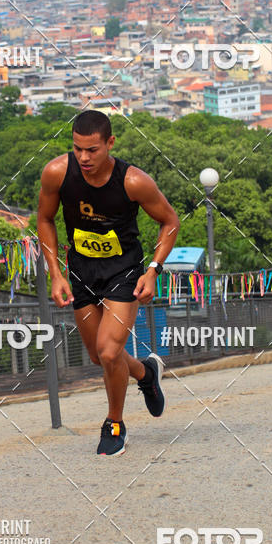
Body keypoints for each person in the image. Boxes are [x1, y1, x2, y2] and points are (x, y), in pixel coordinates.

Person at [37, 110, 181, 457]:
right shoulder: (57, 173)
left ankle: (114, 423)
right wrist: (55, 274)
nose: (84, 158)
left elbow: (170, 221)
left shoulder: (133, 181)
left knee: (109, 350)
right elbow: (44, 219)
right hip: (83, 272)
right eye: (77, 149)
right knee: (100, 356)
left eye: (92, 150)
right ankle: (146, 374)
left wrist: (153, 270)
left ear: (110, 143)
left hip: (124, 272)